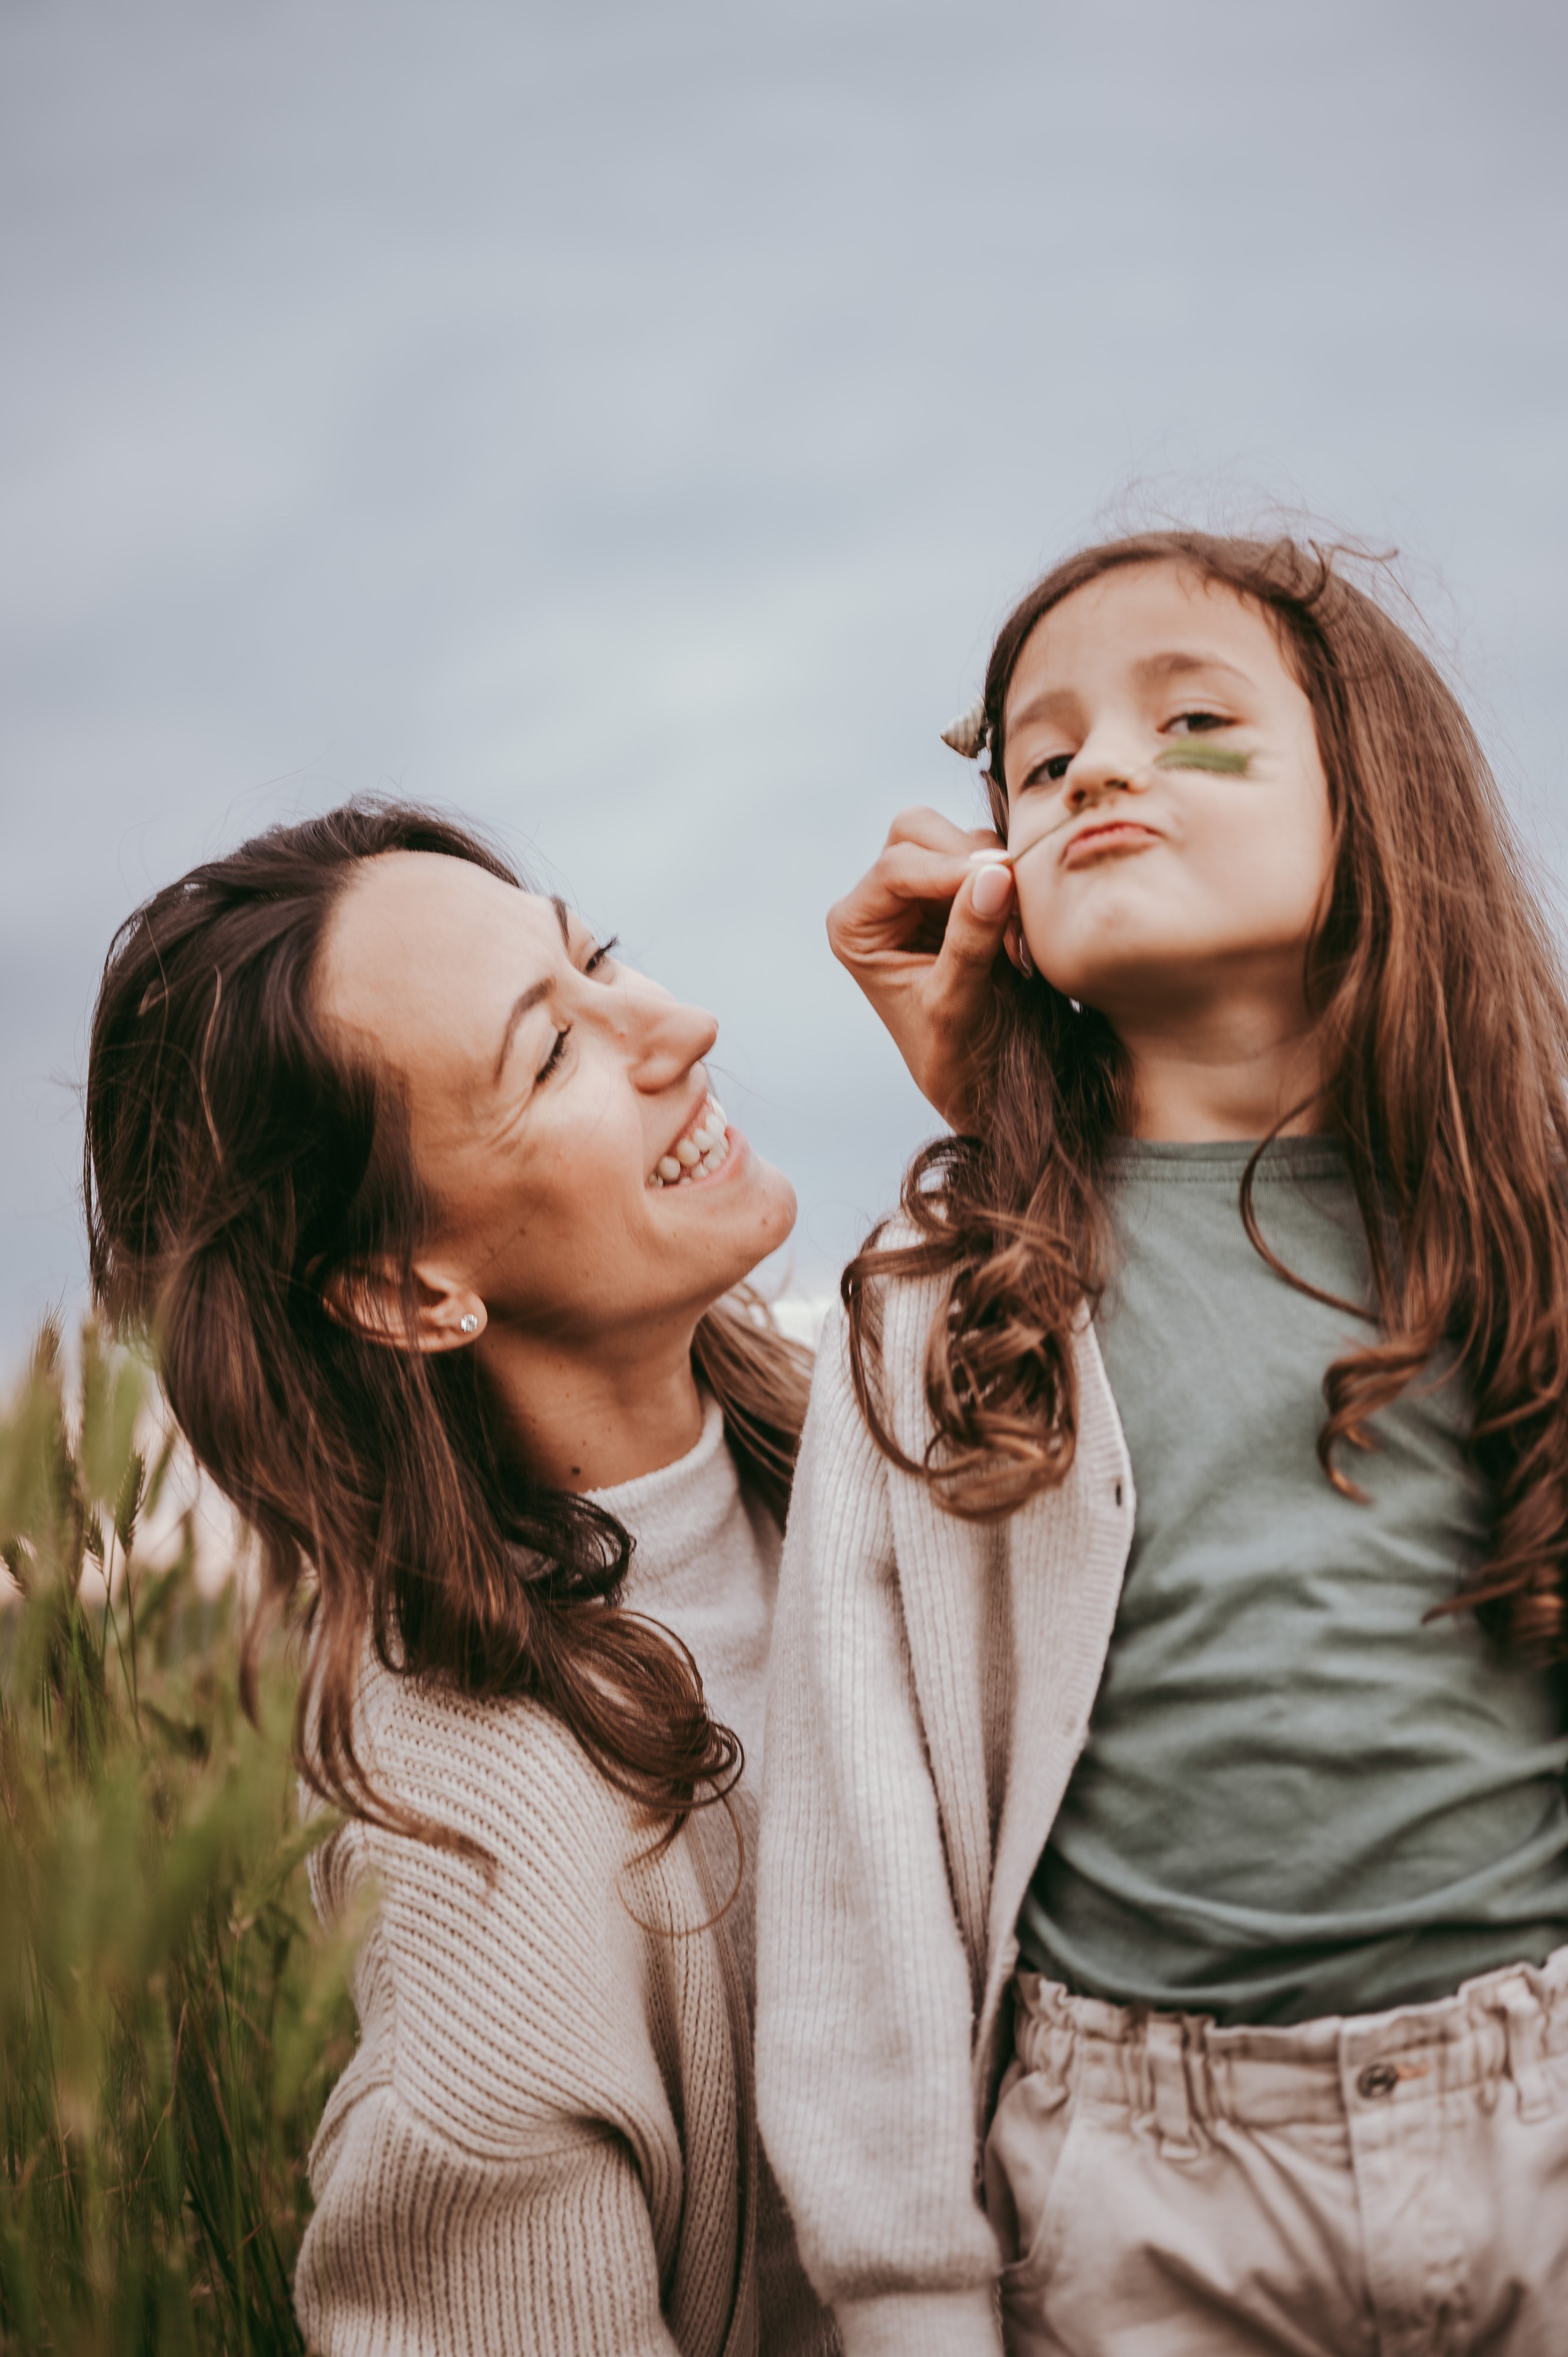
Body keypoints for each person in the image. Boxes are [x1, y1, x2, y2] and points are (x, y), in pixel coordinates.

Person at [755, 531, 1568, 2357]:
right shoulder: (942, 1302)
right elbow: (855, 1858)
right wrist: (908, 2297)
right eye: (1040, 762)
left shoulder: (1530, 1219)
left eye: (1194, 723)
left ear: (1381, 802)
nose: (1100, 770)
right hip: (1139, 2186)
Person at [85, 801, 835, 2357]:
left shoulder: (881, 1460)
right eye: (549, 1054)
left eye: (598, 960)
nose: (680, 1026)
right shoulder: (480, 1863)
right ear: (407, 1288)